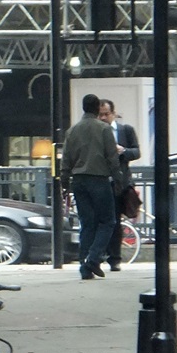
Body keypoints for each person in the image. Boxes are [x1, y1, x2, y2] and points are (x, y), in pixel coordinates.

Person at [61, 93, 121, 280]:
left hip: (78, 181)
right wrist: (118, 180)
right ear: (97, 108)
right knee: (107, 221)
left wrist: (65, 183)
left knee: (87, 223)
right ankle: (93, 259)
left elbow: (66, 159)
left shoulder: (72, 131)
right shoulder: (104, 129)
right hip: (99, 180)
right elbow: (112, 157)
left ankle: (84, 265)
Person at [98, 98, 140, 271]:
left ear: (113, 114)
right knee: (101, 220)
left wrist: (123, 151)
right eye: (100, 114)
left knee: (115, 221)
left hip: (118, 182)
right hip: (100, 180)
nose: (103, 118)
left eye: (106, 114)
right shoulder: (96, 132)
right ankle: (99, 255)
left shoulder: (125, 130)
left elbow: (136, 151)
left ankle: (114, 258)